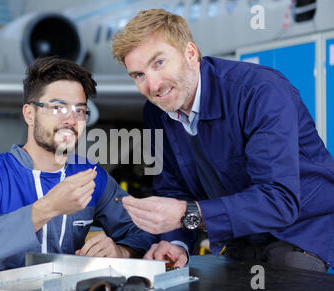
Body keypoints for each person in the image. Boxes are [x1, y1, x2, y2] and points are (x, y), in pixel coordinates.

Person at [112, 9, 334, 272]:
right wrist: (176, 243)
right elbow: (173, 189)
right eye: (139, 75)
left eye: (158, 63)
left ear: (191, 53)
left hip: (300, 234)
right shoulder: (157, 113)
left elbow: (278, 200)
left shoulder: (259, 92)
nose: (153, 85)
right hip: (238, 237)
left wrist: (188, 214)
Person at [0, 57, 157, 281]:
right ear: (29, 114)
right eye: (58, 108)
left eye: (80, 111)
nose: (72, 120)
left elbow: (143, 229)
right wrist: (44, 210)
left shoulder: (90, 176)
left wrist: (122, 251)